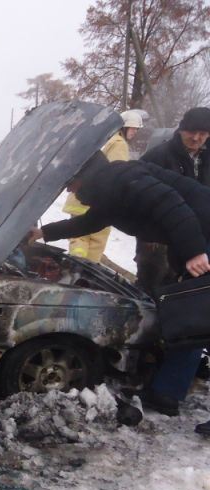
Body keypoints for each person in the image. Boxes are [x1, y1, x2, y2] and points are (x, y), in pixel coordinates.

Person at [28, 151, 210, 436]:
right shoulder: (110, 188)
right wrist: (41, 233)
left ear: (82, 173)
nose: (69, 189)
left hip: (203, 238)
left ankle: (168, 392)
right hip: (198, 239)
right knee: (192, 319)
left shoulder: (124, 177)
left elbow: (172, 205)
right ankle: (166, 394)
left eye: (70, 181)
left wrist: (194, 251)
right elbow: (87, 224)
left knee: (197, 318)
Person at [136, 107, 210, 295]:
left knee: (190, 284)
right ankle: (147, 315)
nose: (196, 138)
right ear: (181, 130)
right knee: (155, 280)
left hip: (198, 231)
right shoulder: (158, 156)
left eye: (202, 133)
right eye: (191, 132)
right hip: (159, 232)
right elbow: (137, 190)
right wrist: (147, 229)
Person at [62, 110, 143, 262]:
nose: (135, 132)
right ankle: (86, 272)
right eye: (133, 128)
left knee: (78, 236)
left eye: (137, 129)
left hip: (80, 199)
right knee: (96, 241)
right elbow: (115, 174)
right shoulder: (119, 144)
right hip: (98, 202)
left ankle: (76, 264)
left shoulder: (105, 140)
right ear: (123, 127)